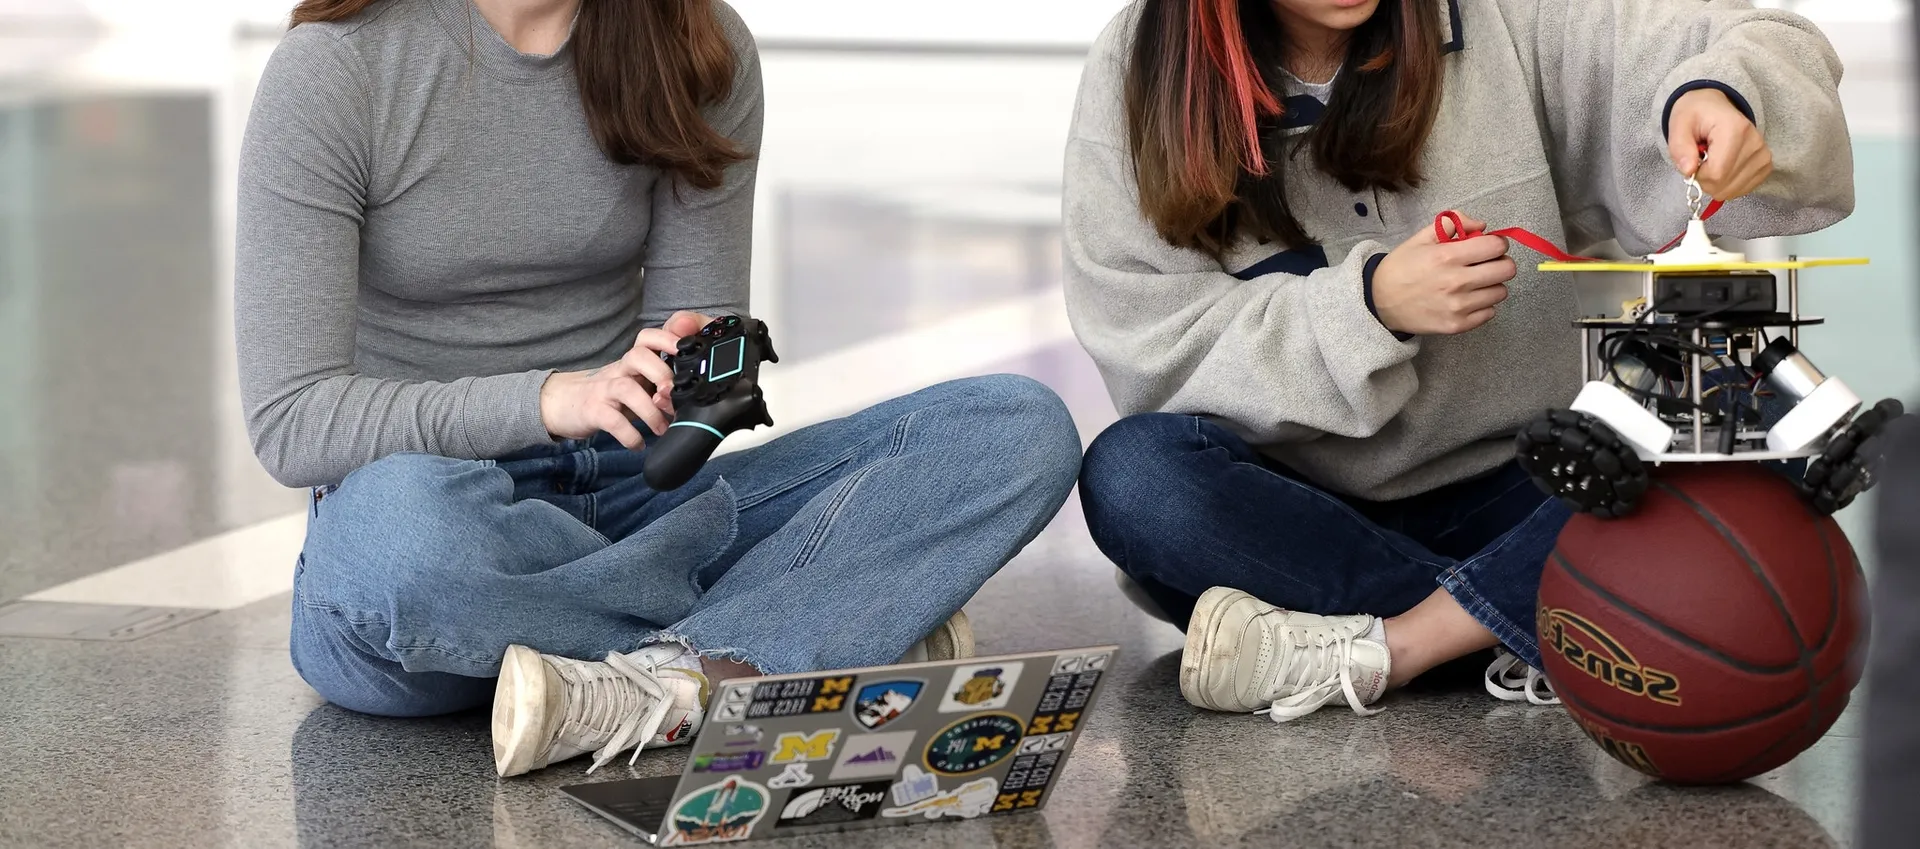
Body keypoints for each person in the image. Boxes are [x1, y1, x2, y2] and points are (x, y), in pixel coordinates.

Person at [234, 0, 1083, 778]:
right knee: (399, 549)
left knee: (1016, 427)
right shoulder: (337, 69)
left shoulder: (695, 41)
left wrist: (702, 381)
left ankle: (668, 676)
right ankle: (788, 636)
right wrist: (550, 399)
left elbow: (710, 381)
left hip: (641, 496)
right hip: (441, 505)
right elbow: (293, 420)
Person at [1064, 0, 1854, 722]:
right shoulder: (1139, 66)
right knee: (1134, 479)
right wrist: (1368, 306)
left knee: (1757, 400)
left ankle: (1396, 645)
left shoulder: (1512, 16)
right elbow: (1156, 353)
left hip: (1537, 481)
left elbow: (1766, 38)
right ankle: (1551, 617)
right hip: (1292, 509)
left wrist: (1723, 95)